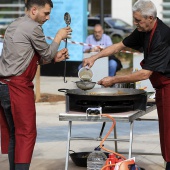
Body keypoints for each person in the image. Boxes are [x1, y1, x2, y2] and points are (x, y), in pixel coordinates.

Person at [83, 0, 170, 169]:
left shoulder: (161, 36)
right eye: (134, 19)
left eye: (138, 20)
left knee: (169, 131)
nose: (135, 23)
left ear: (150, 18)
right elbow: (118, 46)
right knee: (165, 131)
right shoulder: (143, 30)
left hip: (168, 86)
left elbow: (145, 73)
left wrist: (113, 80)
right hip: (161, 87)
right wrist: (94, 58)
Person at [0, 0, 72, 170]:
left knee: (15, 134)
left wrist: (55, 57)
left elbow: (23, 58)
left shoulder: (14, 24)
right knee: (26, 134)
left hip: (2, 86)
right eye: (46, 13)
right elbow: (46, 55)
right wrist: (58, 37)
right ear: (34, 10)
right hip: (17, 88)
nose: (48, 17)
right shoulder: (33, 28)